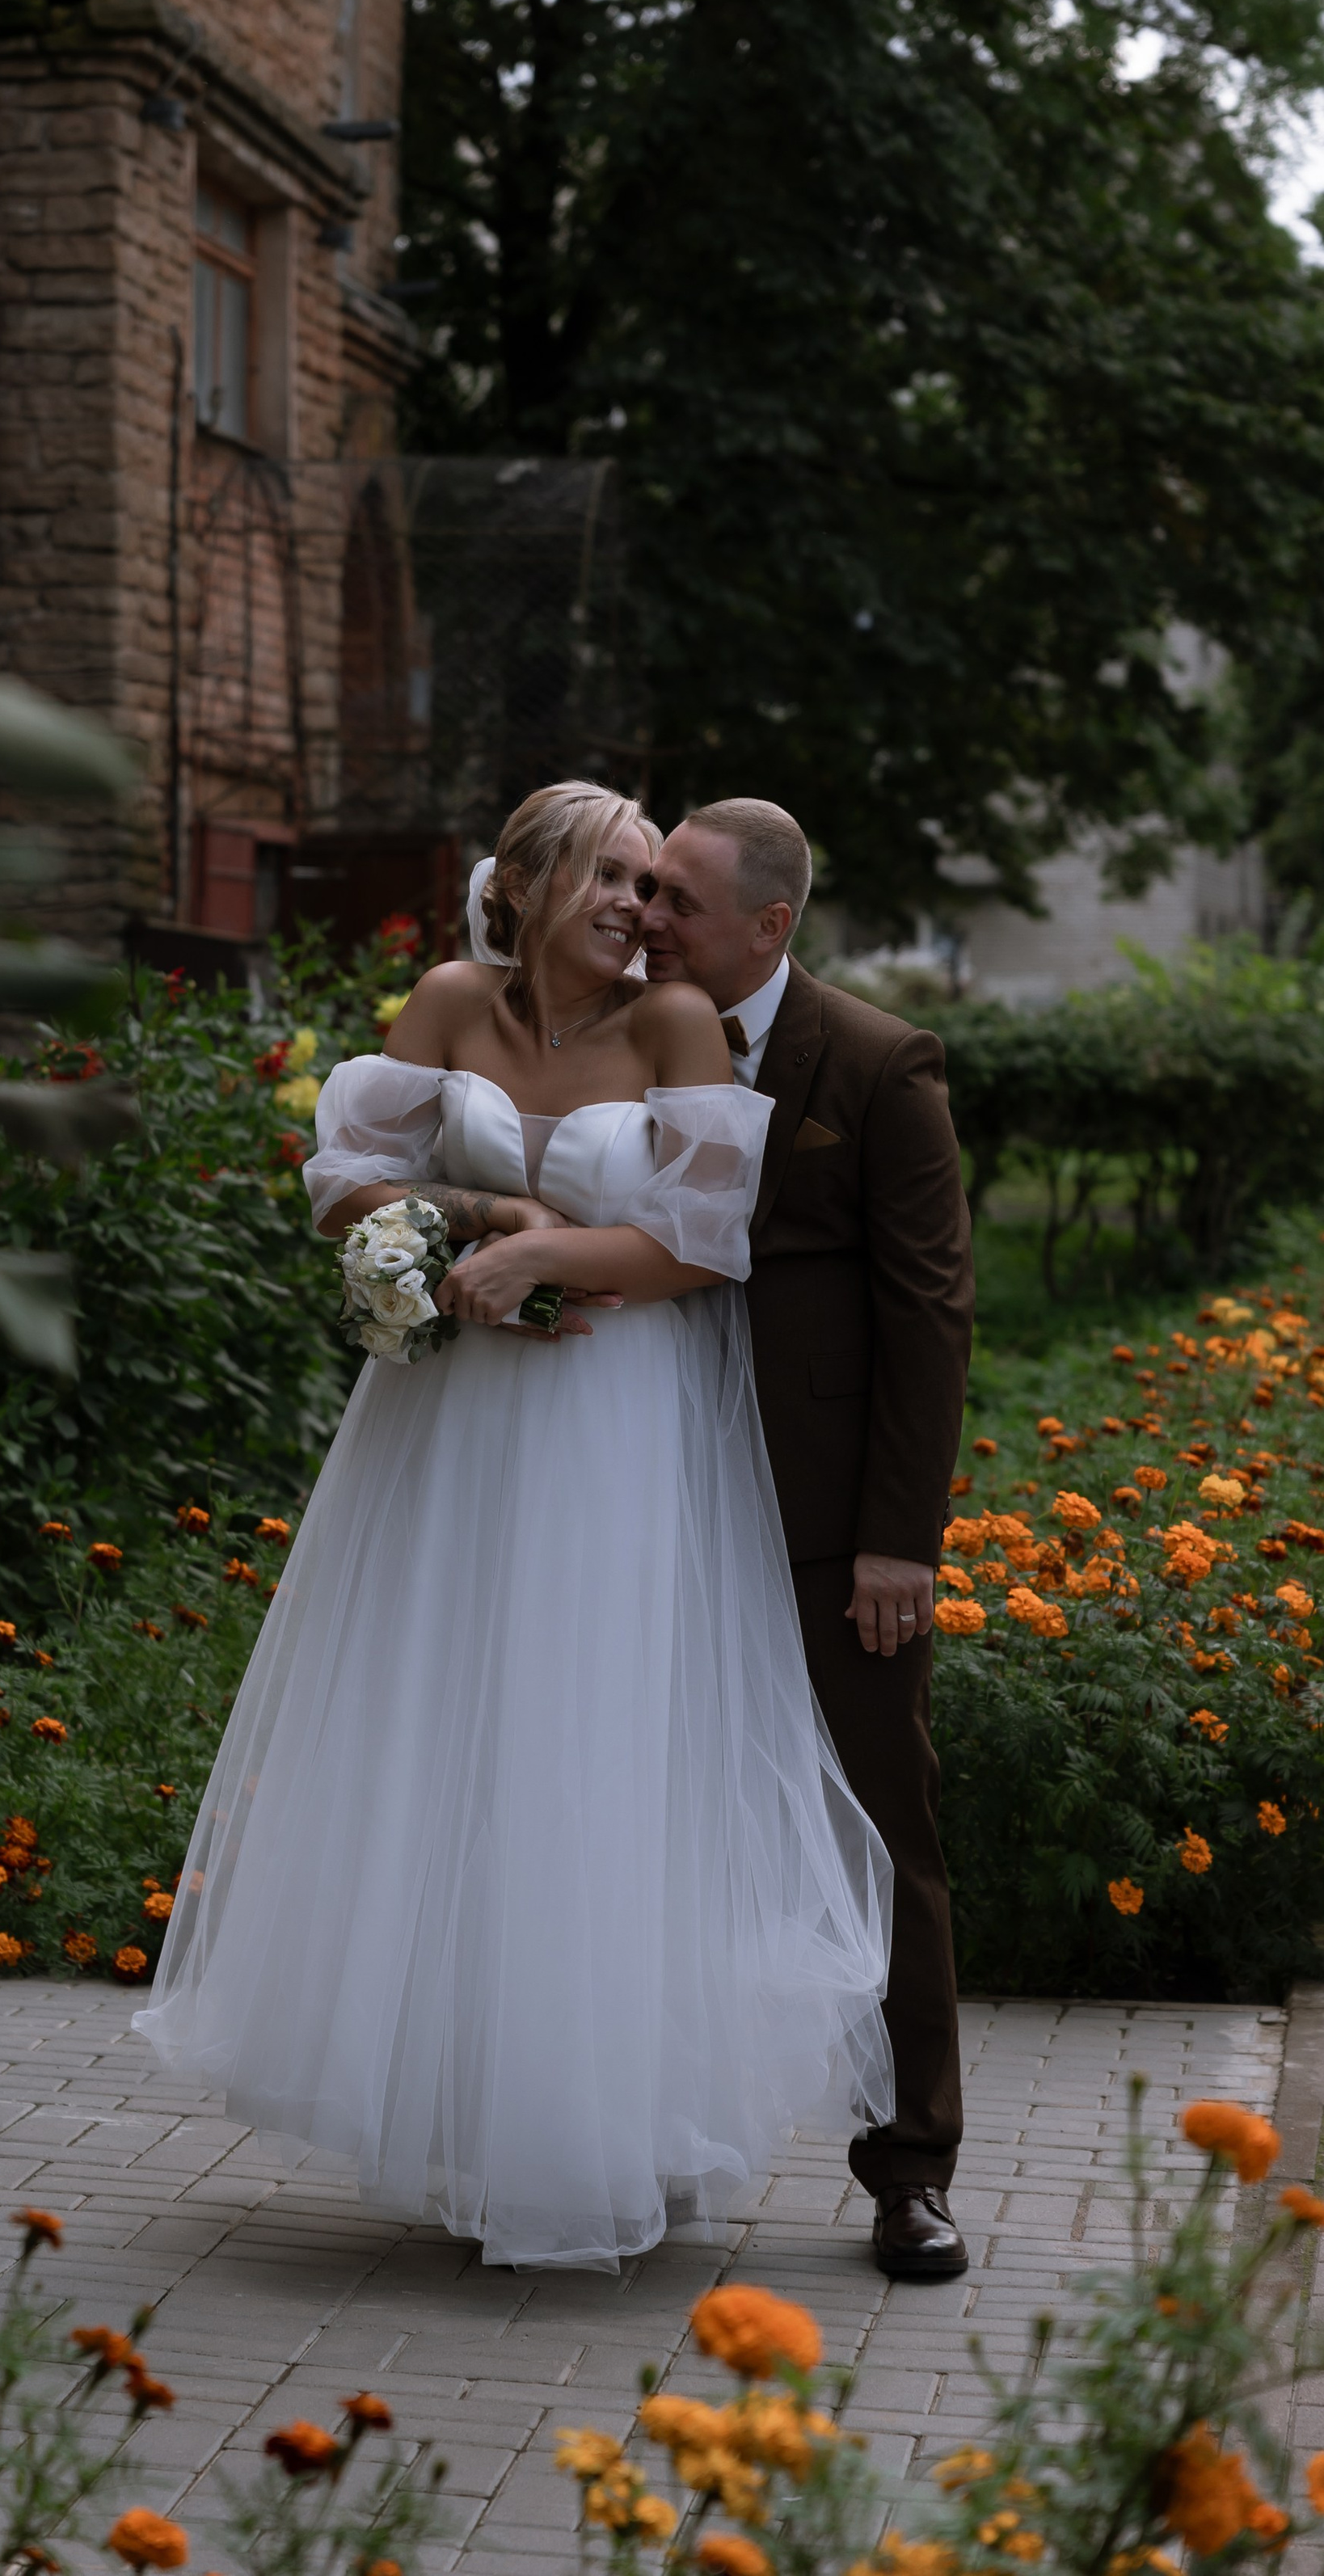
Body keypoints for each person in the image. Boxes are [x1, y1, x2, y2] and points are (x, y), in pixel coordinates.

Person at [135, 779, 895, 2271]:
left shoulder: (675, 1027)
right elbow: (346, 1186)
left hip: (619, 1427)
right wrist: (485, 1243)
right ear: (531, 881)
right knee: (448, 1735)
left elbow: (699, 1242)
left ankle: (612, 2118)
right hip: (453, 1425)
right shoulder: (448, 1005)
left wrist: (543, 1253)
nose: (637, 908)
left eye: (653, 886)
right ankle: (463, 2114)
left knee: (597, 1747)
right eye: (611, 878)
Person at [637, 799, 973, 2282]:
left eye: (681, 902)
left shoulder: (880, 1063)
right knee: (652, 1833)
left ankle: (909, 2172)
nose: (650, 920)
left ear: (770, 926)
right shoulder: (630, 1030)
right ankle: (647, 2137)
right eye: (644, 892)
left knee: (883, 1833)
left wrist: (901, 1541)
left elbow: (930, 1310)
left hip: (828, 1528)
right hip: (652, 1507)